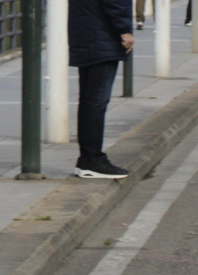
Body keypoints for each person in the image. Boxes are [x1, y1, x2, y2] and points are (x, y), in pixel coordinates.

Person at [69, 0, 134, 179]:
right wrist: (124, 29)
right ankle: (92, 159)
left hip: (86, 31)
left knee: (89, 101)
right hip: (102, 34)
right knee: (96, 101)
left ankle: (87, 159)